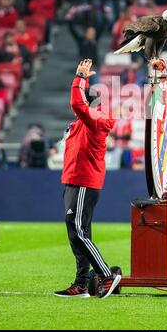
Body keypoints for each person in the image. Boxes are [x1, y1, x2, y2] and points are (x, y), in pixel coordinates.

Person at [55, 59, 120, 299]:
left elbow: (78, 104)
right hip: (74, 179)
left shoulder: (96, 120)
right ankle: (82, 283)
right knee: (77, 233)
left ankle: (106, 275)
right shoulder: (86, 121)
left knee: (77, 230)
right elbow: (80, 106)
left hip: (84, 181)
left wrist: (80, 78)